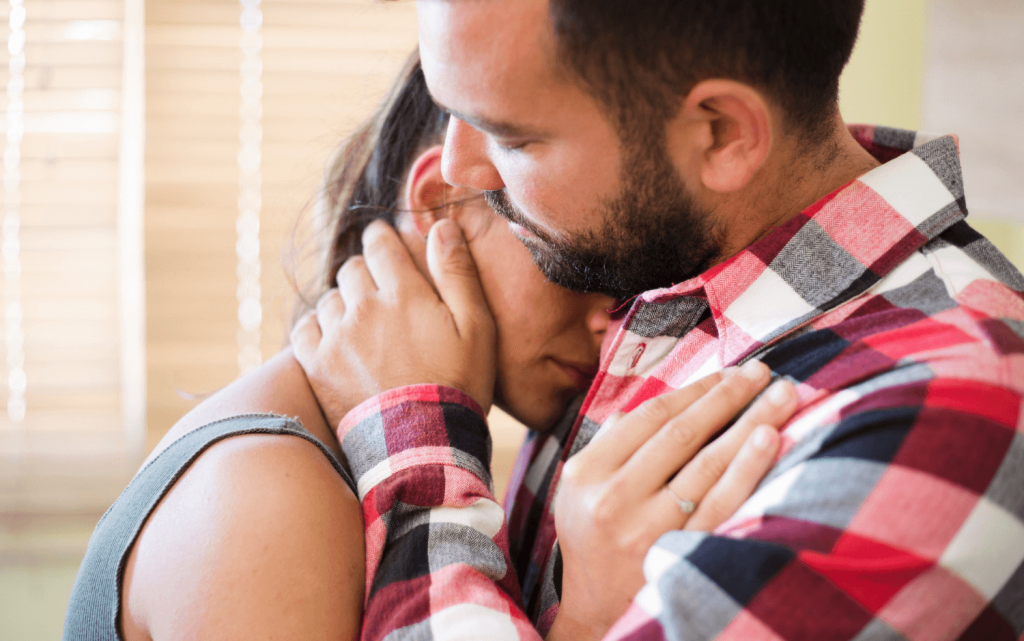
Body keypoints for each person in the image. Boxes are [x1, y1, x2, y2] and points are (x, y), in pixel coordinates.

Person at [291, 0, 1024, 639]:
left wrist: (414, 444)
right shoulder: (652, 273)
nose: (458, 167)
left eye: (512, 138)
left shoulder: (950, 411)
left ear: (721, 133)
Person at [62, 52, 792, 640]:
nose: (619, 320)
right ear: (446, 204)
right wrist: (590, 624)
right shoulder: (268, 496)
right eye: (583, 266)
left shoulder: (376, 463)